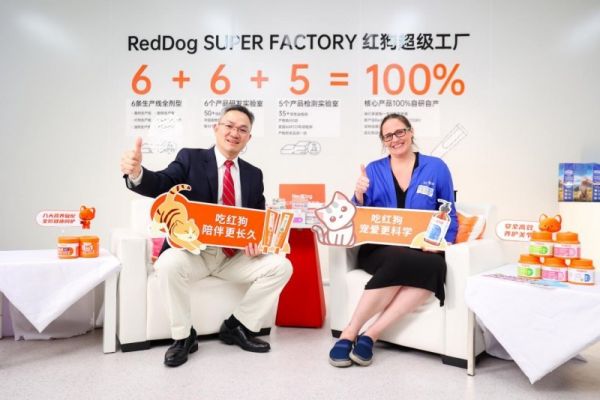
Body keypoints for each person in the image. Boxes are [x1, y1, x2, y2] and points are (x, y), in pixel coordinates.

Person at [120, 104, 293, 367]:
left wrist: (259, 243)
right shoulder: (190, 159)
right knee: (167, 264)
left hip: (233, 257)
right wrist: (137, 173)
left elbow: (257, 220)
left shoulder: (253, 174)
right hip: (195, 253)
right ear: (216, 128)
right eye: (229, 126)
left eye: (242, 129)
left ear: (248, 137)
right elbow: (161, 184)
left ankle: (237, 326)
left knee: (282, 266)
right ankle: (183, 337)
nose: (234, 133)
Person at [328, 113, 458, 367]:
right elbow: (357, 217)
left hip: (421, 248)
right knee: (402, 259)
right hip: (378, 249)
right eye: (388, 136)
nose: (395, 139)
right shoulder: (373, 169)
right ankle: (350, 332)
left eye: (400, 132)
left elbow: (448, 211)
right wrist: (359, 195)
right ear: (383, 141)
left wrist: (442, 244)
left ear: (410, 132)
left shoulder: (436, 167)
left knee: (436, 265)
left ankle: (370, 334)